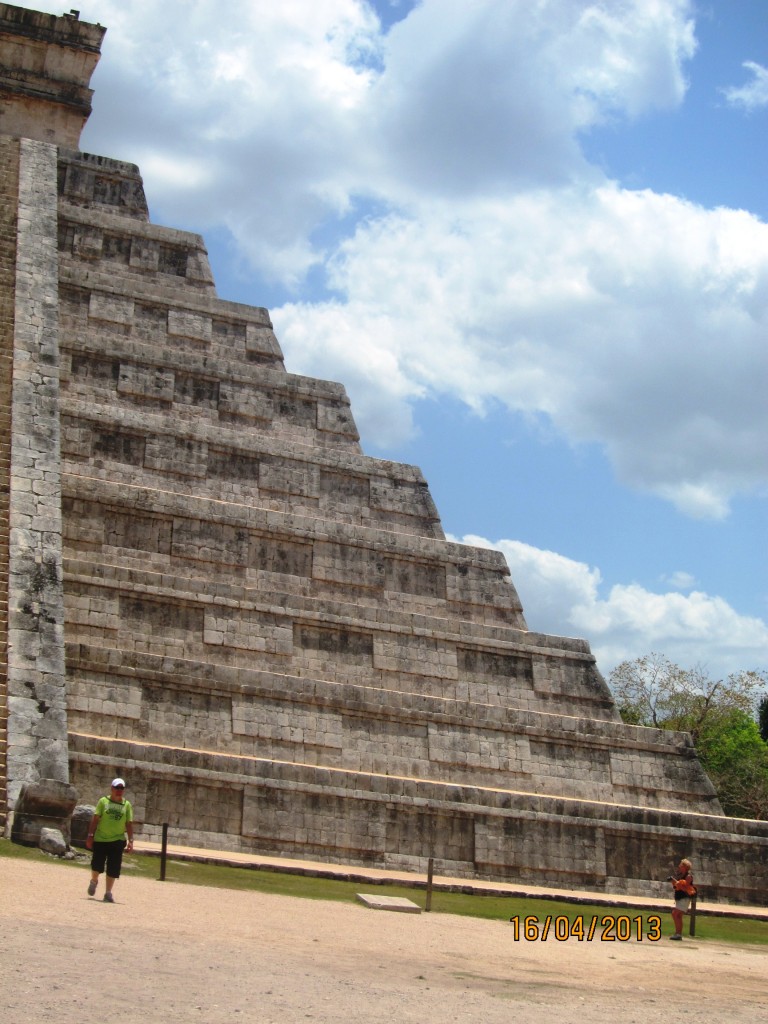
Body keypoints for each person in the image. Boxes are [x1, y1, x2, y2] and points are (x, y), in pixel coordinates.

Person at [85, 778, 134, 903]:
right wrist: (90, 835)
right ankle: (94, 880)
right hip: (101, 839)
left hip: (117, 840)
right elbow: (95, 819)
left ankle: (108, 893)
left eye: (121, 788)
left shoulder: (126, 805)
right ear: (112, 788)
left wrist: (131, 840)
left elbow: (129, 823)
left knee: (113, 868)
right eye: (117, 787)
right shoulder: (103, 801)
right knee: (97, 865)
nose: (119, 790)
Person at [669, 857, 695, 940]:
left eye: (681, 865)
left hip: (684, 898)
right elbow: (677, 887)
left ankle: (678, 933)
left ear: (684, 866)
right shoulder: (681, 875)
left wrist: (678, 884)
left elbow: (685, 888)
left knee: (675, 913)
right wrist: (674, 882)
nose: (679, 866)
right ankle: (678, 934)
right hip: (680, 897)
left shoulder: (688, 876)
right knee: (678, 915)